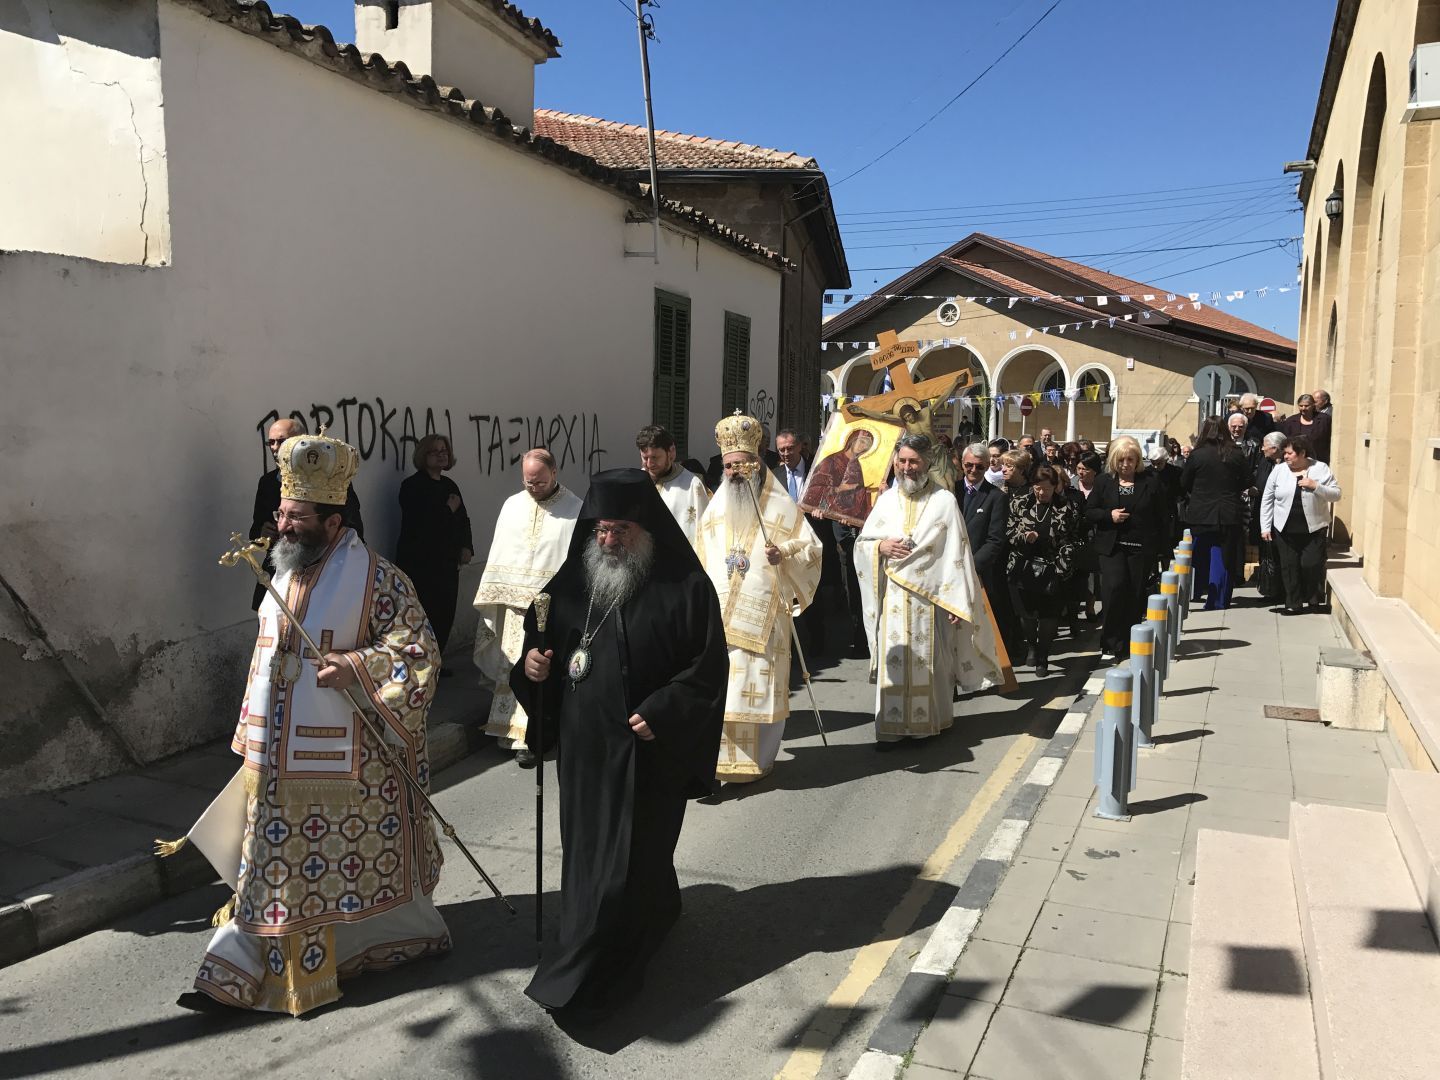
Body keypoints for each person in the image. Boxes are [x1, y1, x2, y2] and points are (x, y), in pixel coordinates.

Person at [177, 431, 446, 1016]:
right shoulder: (278, 574)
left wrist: (356, 665)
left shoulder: (379, 579)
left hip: (352, 764)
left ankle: (380, 942)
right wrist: (249, 737)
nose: (282, 526)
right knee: (270, 865)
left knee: (334, 867)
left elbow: (420, 651)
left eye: (296, 516)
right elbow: (265, 656)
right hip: (276, 759)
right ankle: (237, 969)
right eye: (280, 513)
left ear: (332, 520)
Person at [512, 469, 727, 1013]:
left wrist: (665, 709)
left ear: (647, 531)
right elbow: (541, 644)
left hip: (647, 752)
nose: (608, 542)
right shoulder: (570, 584)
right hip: (585, 752)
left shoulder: (685, 587)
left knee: (639, 852)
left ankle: (603, 964)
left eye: (620, 532)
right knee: (590, 852)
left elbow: (707, 670)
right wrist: (533, 666)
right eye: (601, 530)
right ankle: (593, 933)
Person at [855, 434, 1004, 745]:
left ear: (926, 463)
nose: (907, 467)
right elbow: (862, 545)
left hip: (932, 598)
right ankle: (891, 730)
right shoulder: (885, 501)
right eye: (902, 461)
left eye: (913, 461)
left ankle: (927, 725)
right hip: (893, 597)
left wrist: (957, 602)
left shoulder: (944, 501)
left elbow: (958, 554)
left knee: (931, 662)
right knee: (895, 662)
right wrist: (880, 546)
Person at [696, 413, 821, 782]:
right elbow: (701, 555)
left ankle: (759, 762)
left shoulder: (779, 505)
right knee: (726, 690)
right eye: (728, 465)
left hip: (766, 616)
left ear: (755, 462)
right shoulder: (716, 507)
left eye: (740, 464)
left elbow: (811, 548)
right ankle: (721, 763)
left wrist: (783, 552)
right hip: (722, 617)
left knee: (757, 689)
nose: (734, 471)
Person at [472, 448, 581, 767]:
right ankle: (508, 730)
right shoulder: (512, 506)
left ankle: (534, 734)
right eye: (528, 482)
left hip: (549, 614)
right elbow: (501, 552)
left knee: (540, 670)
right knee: (512, 668)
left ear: (555, 472)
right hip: (515, 608)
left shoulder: (574, 509)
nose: (533, 487)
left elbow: (571, 562)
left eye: (540, 481)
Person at [249, 417, 364, 610]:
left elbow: (353, 528)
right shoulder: (267, 483)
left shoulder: (333, 483)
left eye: (282, 441)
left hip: (325, 573)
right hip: (278, 575)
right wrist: (262, 533)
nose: (276, 447)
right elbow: (255, 532)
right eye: (271, 442)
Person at [1087, 437, 1170, 661]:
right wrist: (1109, 515)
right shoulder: (1104, 481)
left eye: (1130, 459)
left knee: (1133, 595)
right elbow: (1090, 511)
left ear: (1137, 461)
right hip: (1112, 546)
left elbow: (1162, 516)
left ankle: (1129, 642)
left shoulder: (1151, 482)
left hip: (1140, 547)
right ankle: (1109, 641)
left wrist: (1164, 551)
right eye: (1121, 459)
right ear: (1114, 460)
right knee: (1114, 589)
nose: (1126, 464)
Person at [395, 433, 472, 658]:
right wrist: (448, 509)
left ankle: (436, 660)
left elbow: (463, 520)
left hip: (447, 563)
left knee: (445, 613)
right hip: (421, 563)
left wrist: (466, 546)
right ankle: (420, 661)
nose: (441, 455)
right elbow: (422, 523)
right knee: (422, 614)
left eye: (444, 451)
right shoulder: (412, 486)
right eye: (435, 451)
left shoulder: (450, 485)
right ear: (423, 455)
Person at [1005, 464, 1081, 677]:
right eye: (1038, 488)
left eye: (1046, 489)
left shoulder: (1067, 506)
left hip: (1053, 567)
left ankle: (1043, 656)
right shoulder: (1020, 503)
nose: (1042, 493)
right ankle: (1031, 644)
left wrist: (1064, 555)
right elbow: (1009, 532)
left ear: (1055, 487)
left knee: (1049, 616)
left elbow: (1074, 537)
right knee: (1027, 616)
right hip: (1024, 566)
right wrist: (1024, 537)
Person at [1260, 435, 1341, 615]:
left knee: (1311, 564)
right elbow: (1267, 499)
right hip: (1285, 528)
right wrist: (1265, 526)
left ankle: (1313, 599)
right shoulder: (1279, 470)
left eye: (1289, 453)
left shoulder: (1320, 469)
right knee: (1289, 567)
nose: (1286, 457)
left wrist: (1316, 486)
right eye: (1285, 453)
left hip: (1314, 528)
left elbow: (1336, 494)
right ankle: (1293, 603)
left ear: (1302, 453)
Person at [1181, 418, 1250, 610]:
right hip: (1228, 512)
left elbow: (1184, 482)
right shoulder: (1235, 453)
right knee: (1222, 557)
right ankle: (1218, 600)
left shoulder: (1197, 455)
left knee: (1198, 555)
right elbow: (1247, 480)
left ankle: (1195, 593)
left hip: (1201, 513)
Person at [638, 425, 709, 546]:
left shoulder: (692, 485)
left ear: (671, 452)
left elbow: (704, 534)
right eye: (645, 458)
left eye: (655, 457)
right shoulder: (637, 482)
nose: (649, 464)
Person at [803, 426, 877, 525]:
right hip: (825, 519)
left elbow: (859, 493)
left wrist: (864, 490)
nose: (863, 447)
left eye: (867, 446)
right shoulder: (830, 461)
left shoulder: (857, 466)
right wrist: (839, 489)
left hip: (846, 517)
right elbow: (814, 488)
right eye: (862, 442)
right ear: (852, 440)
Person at [1252, 431, 1288, 602]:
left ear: (1275, 448)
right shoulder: (1265, 462)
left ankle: (1284, 591)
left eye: (1265, 445)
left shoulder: (1289, 463)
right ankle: (1270, 589)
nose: (1262, 449)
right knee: (1267, 554)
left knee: (1282, 555)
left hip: (1284, 516)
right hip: (1266, 515)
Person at [1280, 394, 1332, 466]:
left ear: (1313, 405)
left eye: (1307, 406)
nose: (1303, 408)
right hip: (1296, 461)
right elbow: (1285, 442)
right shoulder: (1290, 421)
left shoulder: (1324, 419)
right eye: (1301, 406)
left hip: (1318, 461)